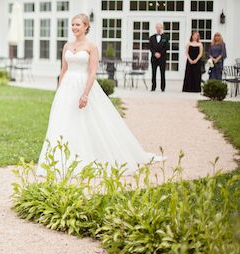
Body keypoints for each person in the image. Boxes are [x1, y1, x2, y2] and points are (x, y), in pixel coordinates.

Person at [36, 14, 163, 176]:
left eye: (78, 25)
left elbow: (92, 72)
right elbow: (63, 71)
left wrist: (85, 94)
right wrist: (59, 91)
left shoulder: (91, 46)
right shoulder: (67, 46)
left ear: (86, 27)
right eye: (73, 25)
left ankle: (88, 155)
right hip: (67, 87)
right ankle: (60, 158)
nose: (74, 27)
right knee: (64, 121)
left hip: (84, 85)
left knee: (87, 121)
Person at [149, 23, 168, 92]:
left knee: (162, 73)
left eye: (160, 27)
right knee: (153, 73)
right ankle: (153, 87)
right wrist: (155, 53)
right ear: (156, 28)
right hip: (154, 58)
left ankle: (163, 88)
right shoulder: (152, 37)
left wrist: (160, 54)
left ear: (162, 28)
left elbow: (166, 47)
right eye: (157, 27)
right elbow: (150, 47)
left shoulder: (165, 37)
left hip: (162, 58)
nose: (159, 29)